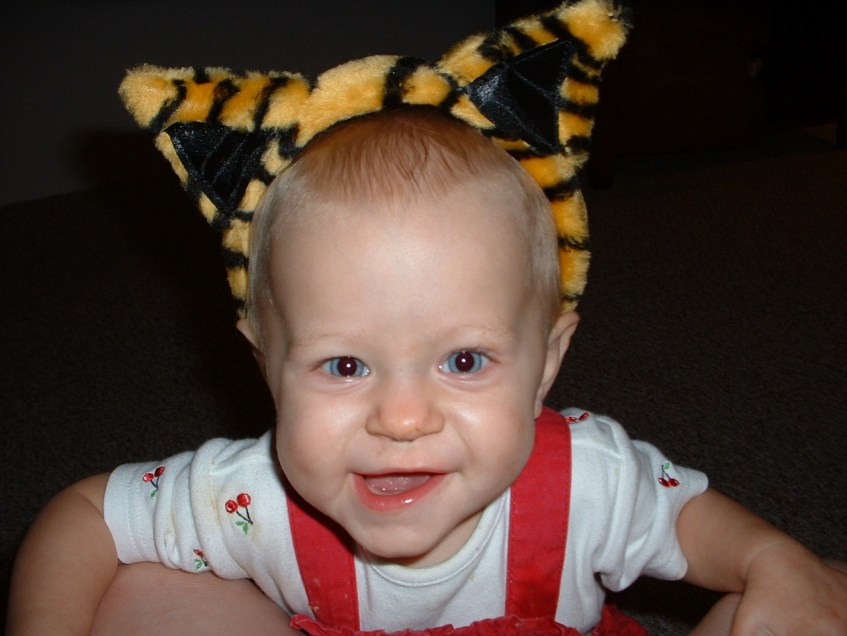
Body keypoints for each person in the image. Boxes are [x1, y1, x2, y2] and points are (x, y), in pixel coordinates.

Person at [8, 106, 847, 636]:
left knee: (816, 594)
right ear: (266, 367)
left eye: (463, 360)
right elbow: (87, 514)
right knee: (137, 592)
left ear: (546, 363)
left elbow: (690, 519)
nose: (402, 418)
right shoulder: (249, 497)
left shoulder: (586, 479)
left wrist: (772, 559)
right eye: (344, 365)